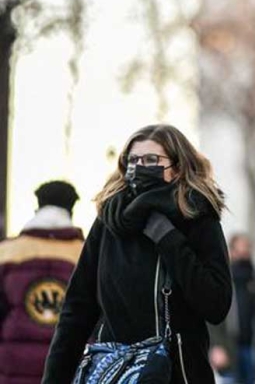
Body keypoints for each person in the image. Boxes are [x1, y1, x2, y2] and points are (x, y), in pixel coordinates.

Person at [42, 124, 233, 384]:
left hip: (178, 373)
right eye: (133, 160)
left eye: (151, 160)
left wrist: (167, 238)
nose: (140, 166)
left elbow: (216, 303)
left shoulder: (196, 217)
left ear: (176, 168)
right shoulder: (109, 221)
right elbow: (77, 310)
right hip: (114, 372)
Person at [0, 181, 82, 384]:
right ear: (71, 210)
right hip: (69, 367)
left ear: (37, 207)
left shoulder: (7, 252)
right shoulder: (86, 253)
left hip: (13, 367)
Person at [209, 235, 255, 384]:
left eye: (248, 247)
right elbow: (211, 313)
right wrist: (216, 345)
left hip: (253, 348)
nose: (245, 251)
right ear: (232, 250)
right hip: (228, 347)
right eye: (241, 247)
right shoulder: (223, 277)